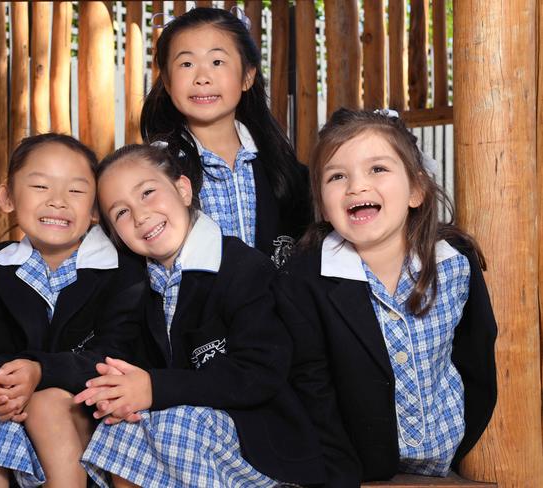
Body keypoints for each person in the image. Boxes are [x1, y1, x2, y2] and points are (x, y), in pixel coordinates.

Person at [74, 144, 335, 488]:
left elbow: (259, 372)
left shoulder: (241, 267)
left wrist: (154, 388)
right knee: (122, 425)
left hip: (263, 442)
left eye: (148, 193)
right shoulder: (137, 288)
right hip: (188, 438)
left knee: (178, 426)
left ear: (183, 190)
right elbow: (121, 357)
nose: (140, 216)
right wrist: (121, 395)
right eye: (121, 213)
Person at [273, 108, 497, 481]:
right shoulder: (304, 279)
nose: (356, 186)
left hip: (448, 459)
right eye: (337, 176)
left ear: (416, 189)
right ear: (322, 203)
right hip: (360, 466)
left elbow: (476, 356)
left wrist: (466, 442)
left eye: (377, 169)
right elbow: (312, 385)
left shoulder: (455, 262)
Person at [0, 133, 146, 488]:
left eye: (75, 191)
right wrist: (4, 384)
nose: (57, 202)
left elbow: (117, 353)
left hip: (94, 407)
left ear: (96, 209)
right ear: (7, 197)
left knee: (47, 404)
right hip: (19, 403)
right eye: (40, 186)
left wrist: (41, 371)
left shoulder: (123, 269)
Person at [141, 7, 310, 266]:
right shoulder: (154, 169)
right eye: (186, 64)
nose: (202, 78)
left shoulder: (282, 166)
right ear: (166, 80)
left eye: (217, 62)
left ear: (247, 76)